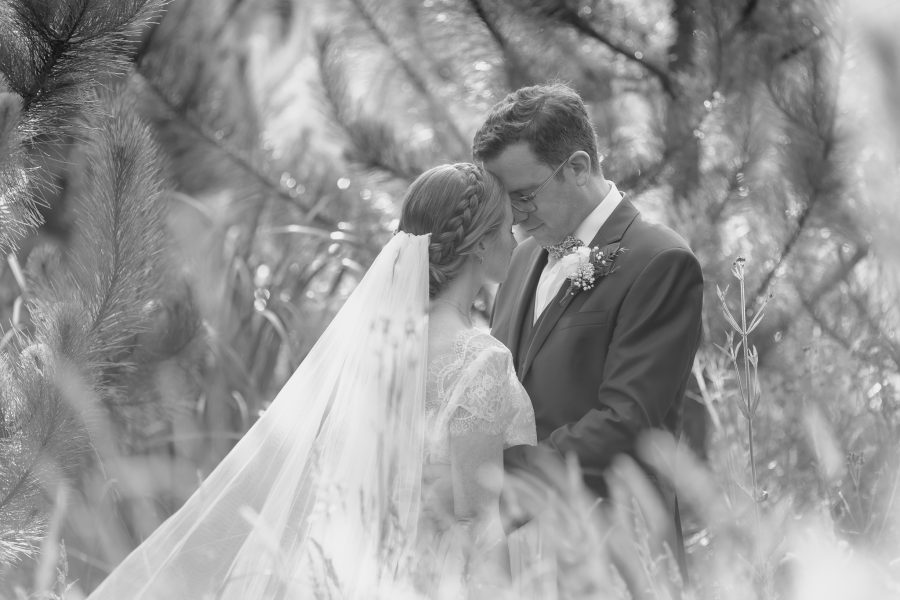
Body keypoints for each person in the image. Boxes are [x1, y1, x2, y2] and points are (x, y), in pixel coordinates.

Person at [85, 163, 536, 599]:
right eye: (508, 228)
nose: (516, 238)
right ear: (477, 244)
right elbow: (476, 519)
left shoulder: (377, 348)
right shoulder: (479, 359)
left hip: (364, 570)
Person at [473, 83, 704, 585]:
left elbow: (627, 420)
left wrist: (496, 472)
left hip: (616, 549)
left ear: (577, 167)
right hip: (521, 556)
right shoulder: (520, 261)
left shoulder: (660, 261)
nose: (514, 217)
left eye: (524, 196)